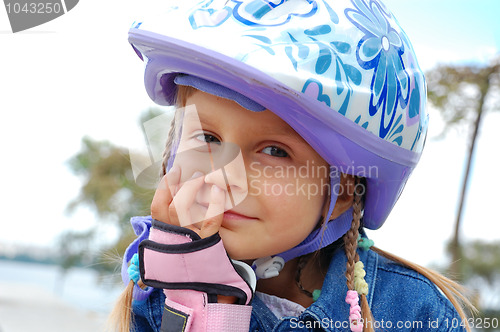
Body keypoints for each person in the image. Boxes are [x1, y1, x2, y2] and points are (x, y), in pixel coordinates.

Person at [109, 0, 475, 331]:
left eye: (275, 151)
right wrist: (195, 303)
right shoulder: (156, 294)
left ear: (345, 190)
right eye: (207, 139)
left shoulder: (414, 313)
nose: (223, 175)